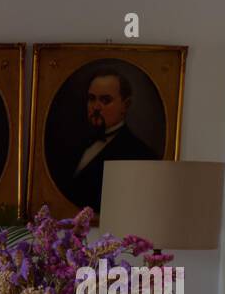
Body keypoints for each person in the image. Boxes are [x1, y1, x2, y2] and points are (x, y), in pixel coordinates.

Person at [66, 69, 158, 212]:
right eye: (91, 98)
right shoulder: (71, 145)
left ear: (125, 106)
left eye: (105, 100)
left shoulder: (140, 154)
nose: (96, 107)